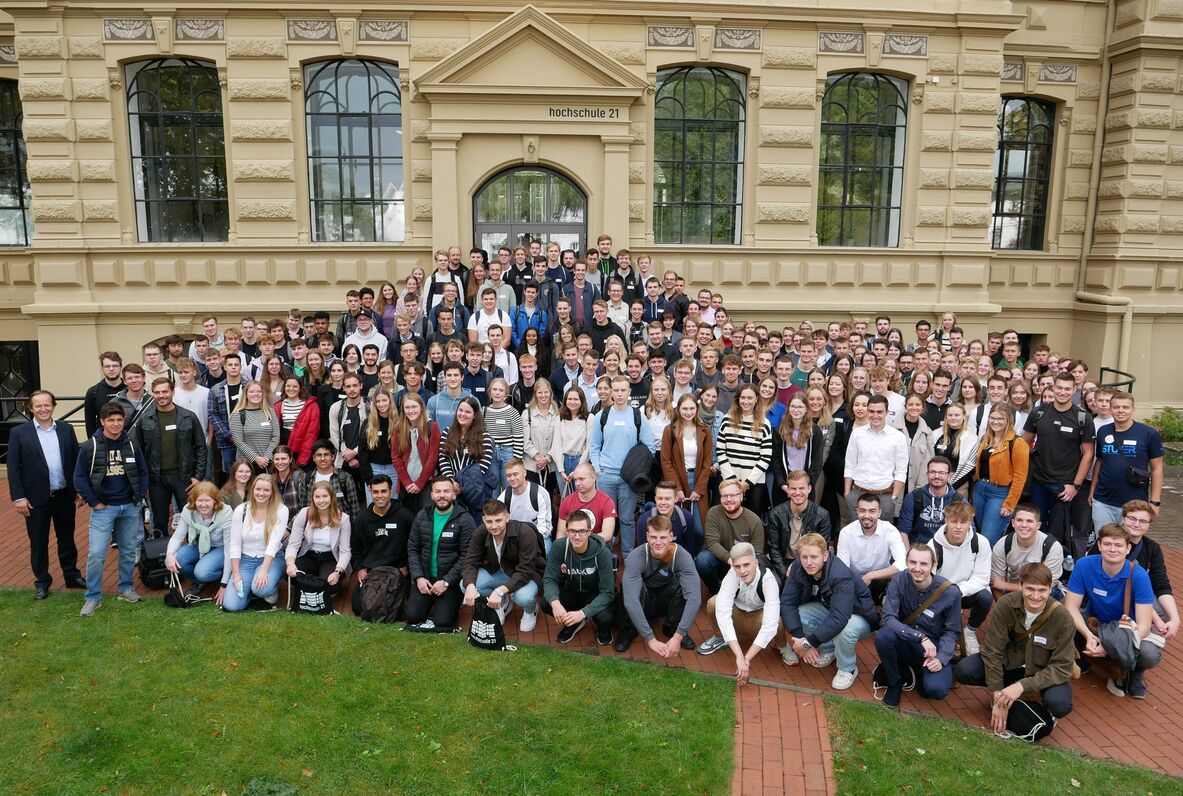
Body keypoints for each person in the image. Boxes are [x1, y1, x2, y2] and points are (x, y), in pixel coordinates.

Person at [953, 562, 1076, 734]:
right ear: (1020, 586)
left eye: (1042, 590)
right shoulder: (1006, 604)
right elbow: (992, 650)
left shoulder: (1063, 618)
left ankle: (1044, 711)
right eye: (1030, 589)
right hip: (1012, 661)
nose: (1035, 595)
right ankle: (1006, 691)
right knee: (964, 670)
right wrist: (997, 694)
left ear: (1050, 589)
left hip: (1043, 669)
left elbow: (1061, 668)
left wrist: (1021, 687)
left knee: (1060, 704)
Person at [1063, 522, 1162, 698]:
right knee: (1063, 618)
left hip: (1126, 629)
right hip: (1097, 622)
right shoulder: (1084, 565)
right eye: (1107, 544)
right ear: (1099, 545)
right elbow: (1071, 606)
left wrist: (1110, 646)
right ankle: (1084, 658)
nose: (1112, 549)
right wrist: (1088, 635)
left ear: (1128, 548)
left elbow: (1144, 625)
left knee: (1149, 654)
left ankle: (1134, 675)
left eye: (1118, 545)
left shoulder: (1138, 576)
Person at [6, 389, 84, 599]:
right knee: (38, 542)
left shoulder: (66, 430)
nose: (43, 409)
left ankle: (71, 575)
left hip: (63, 495)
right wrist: (19, 497)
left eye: (47, 404)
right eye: (38, 406)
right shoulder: (19, 433)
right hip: (34, 499)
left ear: (53, 406)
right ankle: (42, 581)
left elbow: (77, 461)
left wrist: (78, 489)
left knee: (67, 538)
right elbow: (13, 468)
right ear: (31, 409)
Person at [75, 403, 150, 616]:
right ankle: (92, 597)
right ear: (102, 421)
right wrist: (94, 502)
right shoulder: (90, 446)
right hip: (103, 508)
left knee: (127, 551)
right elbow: (79, 477)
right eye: (111, 420)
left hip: (129, 506)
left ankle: (126, 588)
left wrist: (138, 496)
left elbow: (143, 472)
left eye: (119, 420)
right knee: (97, 554)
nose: (116, 424)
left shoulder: (131, 444)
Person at [780, 533, 879, 689]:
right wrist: (800, 637)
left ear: (825, 555)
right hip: (831, 608)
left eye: (814, 557)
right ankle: (829, 649)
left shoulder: (839, 573)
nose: (809, 562)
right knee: (798, 615)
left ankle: (848, 668)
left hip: (858, 615)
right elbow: (786, 603)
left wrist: (808, 643)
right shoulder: (798, 568)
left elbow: (840, 618)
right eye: (804, 557)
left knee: (844, 629)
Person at [874, 544, 962, 708]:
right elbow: (888, 618)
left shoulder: (950, 592)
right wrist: (920, 637)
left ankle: (916, 671)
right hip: (906, 640)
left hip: (933, 649)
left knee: (936, 691)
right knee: (883, 636)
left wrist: (941, 659)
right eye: (913, 562)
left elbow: (952, 631)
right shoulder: (898, 580)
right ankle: (895, 681)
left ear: (933, 565)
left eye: (923, 564)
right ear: (906, 562)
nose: (917, 568)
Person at [695, 542, 787, 683]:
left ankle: (782, 646)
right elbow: (723, 612)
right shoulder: (732, 574)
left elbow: (770, 624)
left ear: (755, 563)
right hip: (738, 613)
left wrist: (746, 659)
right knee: (714, 603)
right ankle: (721, 637)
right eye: (737, 566)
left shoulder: (768, 579)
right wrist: (739, 655)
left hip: (758, 618)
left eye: (746, 565)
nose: (742, 571)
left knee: (777, 622)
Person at [588, 375, 656, 558]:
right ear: (610, 391)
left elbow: (649, 446)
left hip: (628, 478)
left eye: (623, 390)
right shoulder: (602, 416)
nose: (619, 394)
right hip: (605, 476)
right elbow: (593, 446)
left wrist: (636, 468)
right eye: (615, 390)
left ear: (629, 392)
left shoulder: (637, 416)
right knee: (606, 519)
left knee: (627, 519)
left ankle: (628, 555)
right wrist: (597, 469)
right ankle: (605, 553)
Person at [615, 515, 702, 655]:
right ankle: (630, 628)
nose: (658, 542)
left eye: (663, 537)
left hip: (664, 600)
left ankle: (672, 627)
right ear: (647, 537)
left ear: (671, 536)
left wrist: (679, 635)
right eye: (654, 537)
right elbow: (631, 602)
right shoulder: (636, 556)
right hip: (644, 599)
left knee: (684, 584)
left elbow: (694, 598)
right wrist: (650, 639)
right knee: (628, 586)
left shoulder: (682, 556)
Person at [135, 377, 209, 535]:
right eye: (157, 392)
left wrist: (198, 476)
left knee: (190, 519)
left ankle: (192, 552)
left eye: (165, 391)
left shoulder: (188, 417)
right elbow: (139, 452)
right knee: (160, 520)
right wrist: (144, 480)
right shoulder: (145, 419)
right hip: (156, 479)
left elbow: (201, 448)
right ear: (152, 394)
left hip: (184, 478)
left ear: (173, 392)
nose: (161, 395)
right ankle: (161, 556)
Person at [1022, 371, 1095, 526]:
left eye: (1067, 389)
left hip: (1064, 485)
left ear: (1074, 390)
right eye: (1059, 388)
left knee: (1058, 531)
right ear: (1053, 388)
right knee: (1036, 526)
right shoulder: (1038, 412)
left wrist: (1075, 485)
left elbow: (1088, 454)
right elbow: (1024, 443)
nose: (1063, 392)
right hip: (1038, 482)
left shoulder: (1083, 418)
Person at [405, 477, 477, 630]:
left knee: (443, 622)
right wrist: (418, 577)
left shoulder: (465, 519)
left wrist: (446, 582)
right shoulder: (422, 516)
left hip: (449, 581)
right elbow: (413, 549)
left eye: (446, 491)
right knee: (412, 616)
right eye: (437, 491)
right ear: (431, 495)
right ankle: (429, 600)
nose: (442, 495)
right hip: (425, 577)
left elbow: (467, 556)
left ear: (454, 494)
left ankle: (451, 601)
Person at [461, 499, 545, 631]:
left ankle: (531, 609)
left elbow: (526, 570)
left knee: (522, 597)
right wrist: (470, 586)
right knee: (465, 585)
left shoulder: (524, 532)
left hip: (527, 575)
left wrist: (499, 591)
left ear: (507, 517)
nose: (494, 526)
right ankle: (502, 604)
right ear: (483, 520)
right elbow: (470, 561)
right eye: (489, 521)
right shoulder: (480, 532)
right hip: (500, 572)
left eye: (498, 520)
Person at [1089, 392, 1164, 530]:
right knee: (1105, 542)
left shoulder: (1149, 434)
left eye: (1125, 407)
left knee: (1130, 544)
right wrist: (1092, 490)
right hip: (1103, 501)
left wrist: (1155, 502)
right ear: (1111, 409)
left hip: (1135, 503)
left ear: (1133, 409)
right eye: (1116, 407)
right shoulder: (1103, 431)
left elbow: (1157, 469)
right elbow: (1100, 461)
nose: (1121, 411)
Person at [928, 502, 993, 656]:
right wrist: (948, 593)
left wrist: (959, 590)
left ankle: (970, 631)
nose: (958, 526)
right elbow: (929, 579)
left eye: (963, 522)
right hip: (941, 594)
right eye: (954, 521)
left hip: (967, 592)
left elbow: (982, 578)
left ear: (970, 522)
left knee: (985, 597)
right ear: (946, 520)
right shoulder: (933, 545)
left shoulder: (981, 542)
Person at [542, 509, 616, 645]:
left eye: (581, 531)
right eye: (572, 531)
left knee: (606, 617)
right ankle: (572, 624)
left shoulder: (602, 552)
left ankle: (602, 629)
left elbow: (608, 593)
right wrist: (555, 603)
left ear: (589, 532)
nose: (577, 536)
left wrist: (582, 613)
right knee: (547, 603)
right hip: (572, 591)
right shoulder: (560, 546)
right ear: (567, 531)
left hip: (595, 594)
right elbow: (549, 579)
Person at [350, 475, 415, 617]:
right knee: (358, 607)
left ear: (391, 492)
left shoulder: (405, 516)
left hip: (397, 571)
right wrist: (360, 568)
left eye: (383, 491)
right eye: (376, 492)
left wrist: (408, 567)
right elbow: (355, 548)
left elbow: (416, 545)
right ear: (370, 492)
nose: (380, 496)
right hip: (372, 572)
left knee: (402, 610)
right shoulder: (363, 519)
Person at [222, 474, 289, 612]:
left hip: (271, 558)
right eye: (258, 489)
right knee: (231, 605)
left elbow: (273, 544)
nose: (261, 493)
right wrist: (236, 574)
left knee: (262, 588)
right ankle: (250, 589)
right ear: (252, 490)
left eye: (266, 490)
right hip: (245, 559)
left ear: (272, 492)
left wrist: (264, 571)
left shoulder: (281, 510)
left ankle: (268, 589)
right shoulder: (241, 510)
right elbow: (234, 544)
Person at [971, 405, 1030, 545]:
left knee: (988, 539)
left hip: (1000, 493)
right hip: (980, 490)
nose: (995, 422)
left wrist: (1009, 504)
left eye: (1000, 419)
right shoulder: (985, 439)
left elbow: (1020, 477)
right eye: (992, 418)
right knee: (978, 535)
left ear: (1008, 420)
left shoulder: (1017, 443)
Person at [165, 481, 233, 601]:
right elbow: (177, 537)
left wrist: (224, 584)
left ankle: (220, 575)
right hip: (198, 545)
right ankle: (200, 581)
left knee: (202, 572)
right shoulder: (188, 510)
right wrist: (169, 555)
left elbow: (229, 550)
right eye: (199, 500)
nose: (203, 505)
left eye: (207, 500)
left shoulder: (225, 514)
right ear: (194, 501)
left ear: (215, 501)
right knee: (177, 558)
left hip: (220, 548)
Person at [843, 394, 908, 520]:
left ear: (887, 412)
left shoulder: (898, 437)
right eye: (871, 411)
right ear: (867, 411)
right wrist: (847, 493)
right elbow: (849, 464)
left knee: (883, 537)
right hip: (857, 492)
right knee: (855, 535)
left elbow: (901, 470)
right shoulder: (857, 434)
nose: (875, 415)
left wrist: (894, 497)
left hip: (884, 496)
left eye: (879, 412)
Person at [285, 481, 352, 599]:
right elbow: (293, 544)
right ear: (313, 498)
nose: (321, 500)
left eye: (325, 496)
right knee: (290, 574)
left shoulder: (343, 519)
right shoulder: (304, 514)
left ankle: (314, 582)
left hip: (330, 557)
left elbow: (345, 551)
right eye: (317, 497)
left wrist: (337, 572)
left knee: (330, 585)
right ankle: (312, 582)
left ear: (332, 497)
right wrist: (290, 564)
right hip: (309, 554)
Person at [698, 480, 765, 595]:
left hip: (743, 566)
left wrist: (740, 565)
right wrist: (732, 561)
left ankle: (742, 592)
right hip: (722, 561)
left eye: (733, 495)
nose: (729, 499)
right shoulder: (714, 513)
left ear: (741, 496)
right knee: (702, 560)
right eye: (724, 496)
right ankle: (716, 591)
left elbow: (757, 553)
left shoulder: (754, 520)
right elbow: (712, 543)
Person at [716, 384, 773, 517]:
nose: (746, 401)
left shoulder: (765, 423)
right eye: (743, 397)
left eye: (750, 398)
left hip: (754, 483)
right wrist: (732, 480)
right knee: (728, 518)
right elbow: (720, 451)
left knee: (753, 521)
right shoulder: (726, 420)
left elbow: (765, 458)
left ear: (756, 399)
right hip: (729, 481)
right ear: (737, 399)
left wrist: (746, 483)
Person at [765, 469, 833, 577]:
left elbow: (822, 549)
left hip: (809, 563)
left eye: (801, 488)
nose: (797, 493)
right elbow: (774, 550)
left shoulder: (822, 515)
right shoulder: (776, 514)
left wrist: (798, 567)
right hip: (783, 563)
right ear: (787, 490)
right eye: (793, 488)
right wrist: (785, 573)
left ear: (809, 489)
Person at [660, 393, 713, 522]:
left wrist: (699, 489)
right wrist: (676, 488)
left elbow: (707, 462)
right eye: (684, 408)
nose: (688, 412)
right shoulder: (670, 430)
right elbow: (666, 462)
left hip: (698, 479)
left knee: (699, 528)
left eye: (691, 408)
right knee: (679, 523)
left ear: (697, 409)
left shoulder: (705, 430)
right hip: (677, 479)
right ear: (678, 409)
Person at [895, 456, 966, 546]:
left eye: (941, 473)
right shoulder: (914, 497)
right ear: (927, 474)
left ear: (949, 476)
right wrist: (908, 556)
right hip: (918, 549)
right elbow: (903, 530)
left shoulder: (958, 501)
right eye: (932, 472)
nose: (937, 476)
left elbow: (969, 530)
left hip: (946, 549)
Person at [391, 392, 440, 515]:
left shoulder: (432, 426)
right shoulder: (398, 428)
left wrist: (419, 483)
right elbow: (395, 457)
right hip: (405, 485)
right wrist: (407, 482)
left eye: (414, 407)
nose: (411, 411)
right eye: (407, 407)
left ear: (421, 408)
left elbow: (433, 458)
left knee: (426, 519)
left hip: (426, 483)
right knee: (407, 519)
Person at [498, 458, 553, 553]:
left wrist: (526, 542)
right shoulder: (503, 498)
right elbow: (501, 526)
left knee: (546, 550)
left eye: (515, 474)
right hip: (514, 539)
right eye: (508, 475)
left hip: (538, 537)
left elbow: (545, 528)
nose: (512, 478)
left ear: (524, 473)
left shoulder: (540, 494)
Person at [298, 439, 362, 519]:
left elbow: (354, 509)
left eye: (326, 455)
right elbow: (302, 508)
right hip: (314, 526)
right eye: (319, 455)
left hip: (340, 527)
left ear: (333, 457)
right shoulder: (307, 478)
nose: (322, 458)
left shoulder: (345, 478)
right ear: (314, 458)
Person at [557, 463, 618, 544]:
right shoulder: (567, 501)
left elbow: (607, 535)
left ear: (593, 478)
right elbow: (561, 534)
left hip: (597, 547)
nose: (577, 483)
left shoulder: (606, 502)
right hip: (573, 547)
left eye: (581, 479)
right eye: (575, 480)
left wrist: (583, 543)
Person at [230, 381, 280, 474]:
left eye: (259, 391)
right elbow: (239, 442)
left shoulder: (270, 412)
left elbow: (275, 437)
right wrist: (256, 458)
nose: (256, 394)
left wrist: (267, 456)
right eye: (252, 392)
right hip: (246, 465)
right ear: (246, 395)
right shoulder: (238, 415)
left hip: (268, 462)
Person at [275, 377, 320, 468]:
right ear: (284, 388)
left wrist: (303, 457)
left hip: (303, 449)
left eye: (295, 386)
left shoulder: (311, 405)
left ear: (300, 388)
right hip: (284, 448)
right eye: (288, 386)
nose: (291, 389)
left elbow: (312, 433)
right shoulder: (278, 405)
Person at [84, 352, 125, 437]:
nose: (111, 369)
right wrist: (94, 444)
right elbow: (90, 423)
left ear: (121, 367)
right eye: (107, 366)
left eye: (115, 366)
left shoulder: (129, 389)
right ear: (102, 368)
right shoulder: (93, 392)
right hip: (103, 442)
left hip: (127, 440)